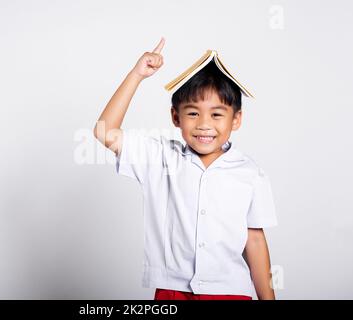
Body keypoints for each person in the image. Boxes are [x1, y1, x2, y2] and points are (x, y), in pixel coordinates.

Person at [93, 37, 278, 300]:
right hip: (173, 291)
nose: (204, 124)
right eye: (192, 113)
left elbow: (255, 241)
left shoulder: (250, 173)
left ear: (236, 119)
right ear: (175, 117)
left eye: (216, 114)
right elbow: (105, 132)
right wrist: (137, 75)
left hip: (230, 292)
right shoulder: (161, 158)